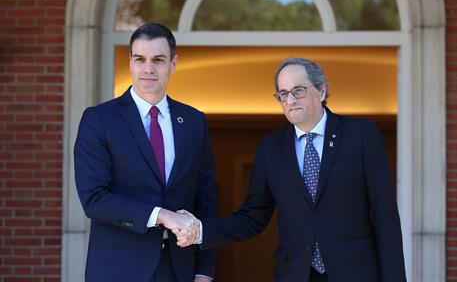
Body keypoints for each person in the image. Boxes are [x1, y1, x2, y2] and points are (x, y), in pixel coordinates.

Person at [174, 57, 406, 282]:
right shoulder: (271, 148)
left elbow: (385, 215)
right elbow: (253, 216)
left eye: (298, 90)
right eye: (283, 94)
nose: (290, 100)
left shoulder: (361, 135)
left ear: (322, 91)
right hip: (296, 273)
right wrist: (202, 230)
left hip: (355, 272)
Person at [74, 23, 217, 282]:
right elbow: (94, 198)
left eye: (158, 60)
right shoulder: (100, 120)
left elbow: (206, 199)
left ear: (173, 63)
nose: (148, 68)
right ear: (130, 62)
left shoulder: (194, 121)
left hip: (179, 269)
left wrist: (204, 271)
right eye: (140, 58)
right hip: (118, 268)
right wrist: (163, 216)